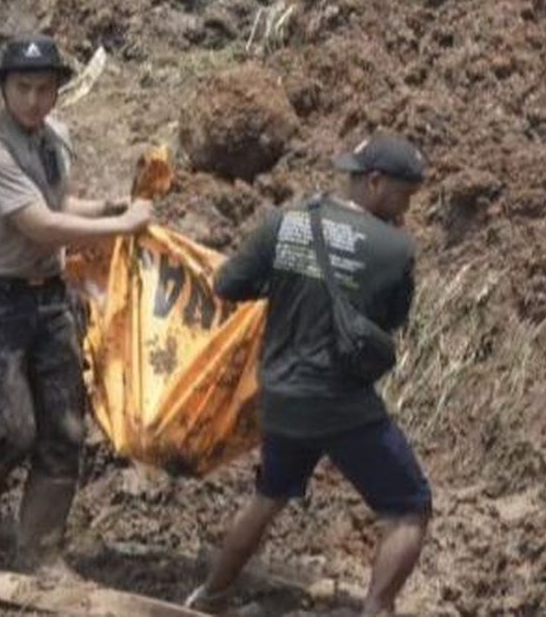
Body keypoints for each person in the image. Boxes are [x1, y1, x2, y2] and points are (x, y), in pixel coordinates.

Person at [185, 133, 433, 615]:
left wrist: (286, 281)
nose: (406, 208)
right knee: (409, 507)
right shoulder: (395, 250)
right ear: (376, 182)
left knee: (268, 496)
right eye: (404, 195)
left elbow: (229, 285)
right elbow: (388, 322)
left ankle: (210, 595)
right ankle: (378, 609)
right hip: (341, 405)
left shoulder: (284, 223)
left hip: (280, 395)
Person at [0, 33, 152, 570]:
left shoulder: (52, 138)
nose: (35, 100)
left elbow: (59, 203)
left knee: (65, 429)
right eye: (23, 88)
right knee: (8, 428)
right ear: (2, 88)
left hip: (47, 296)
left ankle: (39, 550)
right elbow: (39, 225)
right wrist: (119, 226)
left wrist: (109, 205)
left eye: (45, 89)